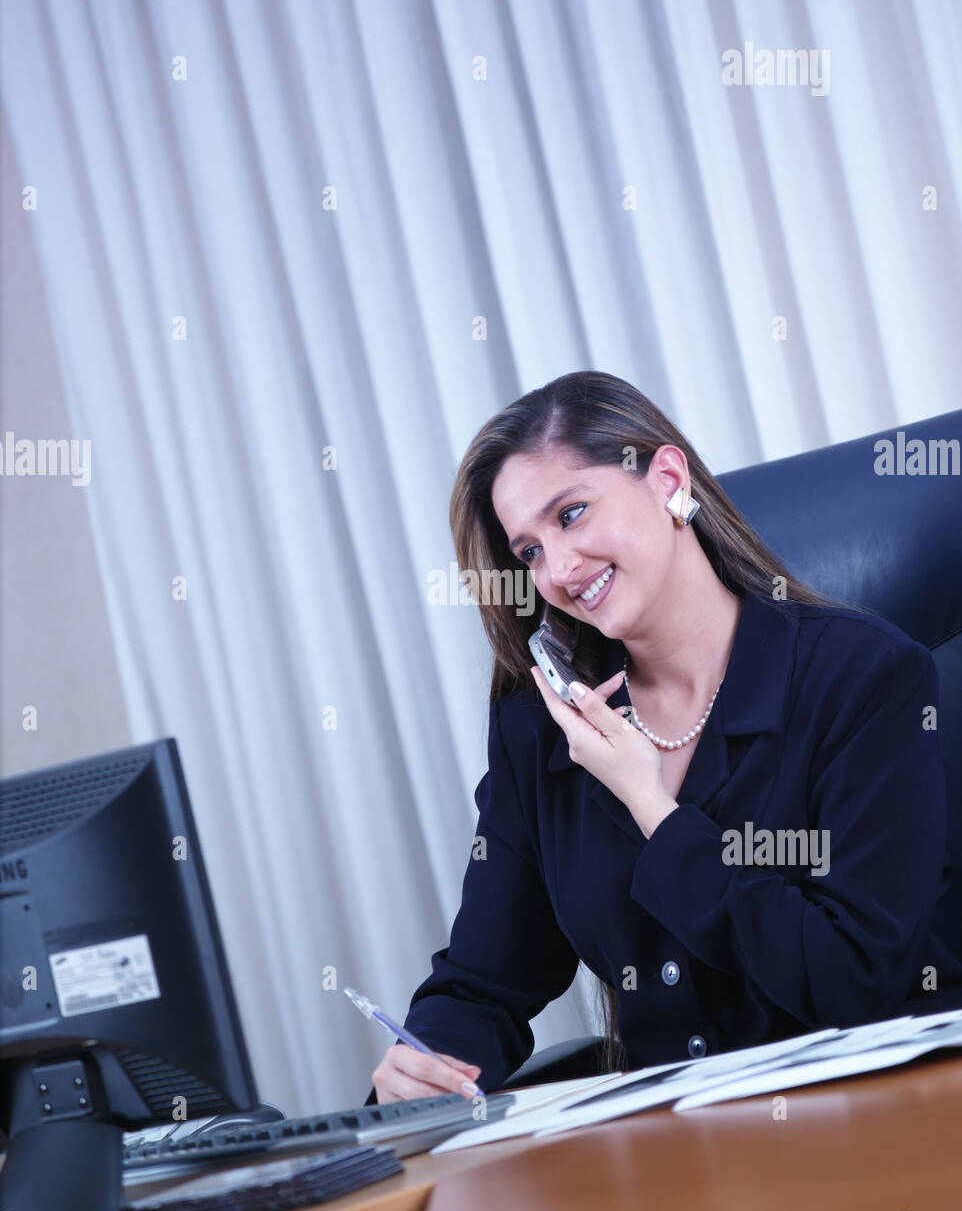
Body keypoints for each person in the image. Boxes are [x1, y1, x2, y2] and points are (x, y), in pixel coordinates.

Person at [370, 371, 961, 1104]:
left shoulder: (861, 677)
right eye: (528, 552)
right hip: (675, 1155)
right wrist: (425, 1066)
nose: (557, 569)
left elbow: (852, 977)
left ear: (667, 480)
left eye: (573, 514)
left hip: (881, 1119)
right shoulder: (545, 728)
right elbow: (489, 978)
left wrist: (653, 807)